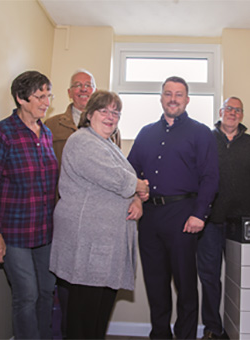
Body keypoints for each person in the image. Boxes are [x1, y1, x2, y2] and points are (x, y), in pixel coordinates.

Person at [49, 90, 149, 339]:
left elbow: (124, 180)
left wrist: (136, 198)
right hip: (87, 244)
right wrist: (138, 186)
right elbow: (116, 178)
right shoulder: (83, 140)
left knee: (98, 313)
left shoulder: (107, 144)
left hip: (104, 243)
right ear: (89, 114)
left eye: (115, 112)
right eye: (104, 110)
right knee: (83, 317)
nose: (110, 116)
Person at [128, 76, 219, 340]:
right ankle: (159, 335)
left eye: (179, 94)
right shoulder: (146, 132)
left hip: (184, 215)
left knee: (186, 286)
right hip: (150, 217)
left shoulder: (201, 133)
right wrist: (135, 193)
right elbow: (130, 170)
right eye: (168, 93)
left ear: (187, 100)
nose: (173, 99)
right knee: (156, 285)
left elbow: (211, 177)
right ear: (161, 97)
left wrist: (199, 214)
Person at [45, 69, 121, 337]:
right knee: (71, 292)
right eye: (77, 85)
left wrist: (134, 194)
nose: (82, 89)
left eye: (88, 85)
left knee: (90, 297)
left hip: (98, 223)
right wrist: (136, 185)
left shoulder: (111, 133)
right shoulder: (53, 126)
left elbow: (115, 174)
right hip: (71, 216)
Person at [0, 70, 58, 339]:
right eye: (39, 97)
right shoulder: (2, 133)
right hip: (14, 232)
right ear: (20, 98)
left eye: (48, 96)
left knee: (45, 291)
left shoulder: (47, 133)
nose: (46, 102)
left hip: (45, 231)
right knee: (26, 294)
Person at [197, 96, 250, 339]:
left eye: (237, 110)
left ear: (242, 116)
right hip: (210, 222)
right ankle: (213, 329)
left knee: (242, 278)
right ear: (220, 111)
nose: (232, 113)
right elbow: (198, 178)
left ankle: (238, 328)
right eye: (229, 108)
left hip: (242, 224)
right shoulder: (206, 140)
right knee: (209, 278)